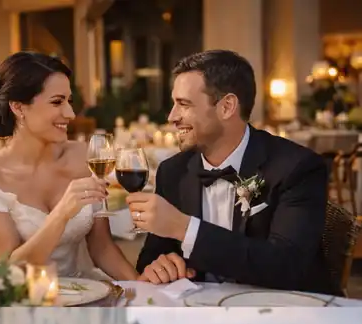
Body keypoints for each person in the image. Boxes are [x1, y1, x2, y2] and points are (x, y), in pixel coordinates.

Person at [130, 50, 335, 294]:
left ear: (227, 106)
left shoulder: (297, 168)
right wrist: (159, 266)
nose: (172, 117)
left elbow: (286, 266)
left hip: (286, 315)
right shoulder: (173, 171)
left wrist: (185, 228)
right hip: (200, 318)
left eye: (183, 104)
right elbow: (152, 257)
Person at [0, 52, 139, 281]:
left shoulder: (87, 158)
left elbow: (102, 248)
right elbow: (10, 269)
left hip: (81, 292)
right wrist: (61, 214)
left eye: (69, 101)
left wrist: (142, 289)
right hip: (13, 298)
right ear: (18, 107)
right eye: (57, 102)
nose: (70, 114)